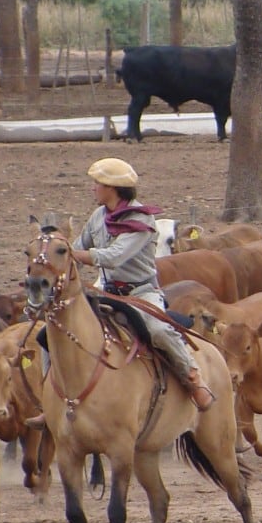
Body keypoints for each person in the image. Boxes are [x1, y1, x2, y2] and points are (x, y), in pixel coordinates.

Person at [68, 157, 214, 409]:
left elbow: (113, 257)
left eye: (97, 183)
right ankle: (52, 399)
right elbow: (79, 247)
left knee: (157, 330)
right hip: (105, 289)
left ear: (111, 188)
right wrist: (60, 258)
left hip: (141, 293)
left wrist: (73, 255)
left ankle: (193, 377)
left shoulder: (141, 221)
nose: (93, 188)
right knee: (57, 327)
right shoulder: (97, 216)